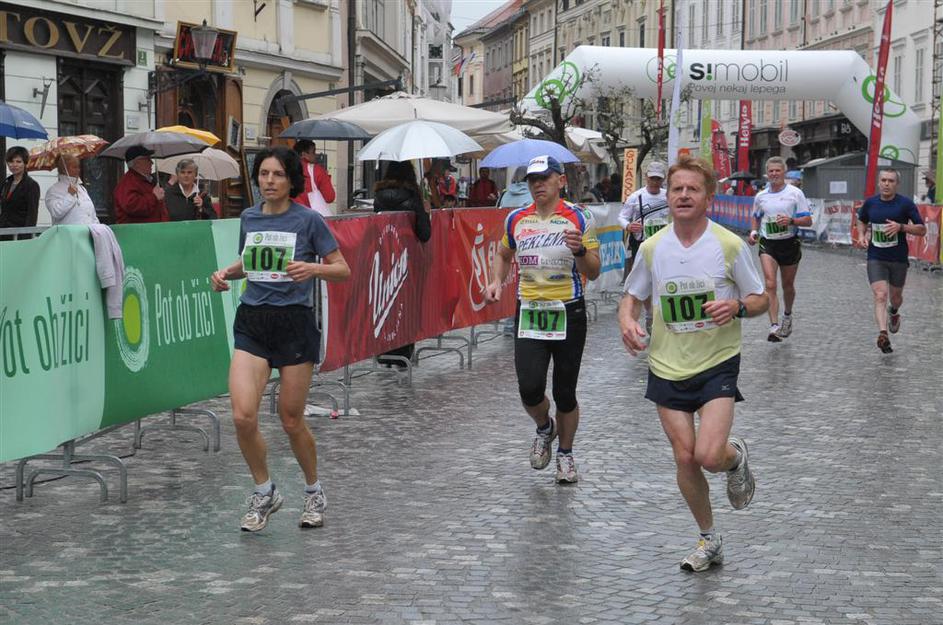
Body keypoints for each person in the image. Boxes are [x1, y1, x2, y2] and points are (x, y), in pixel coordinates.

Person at [619, 155, 768, 572]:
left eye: (693, 189)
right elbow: (631, 297)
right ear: (667, 196)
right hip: (667, 364)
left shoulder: (728, 244)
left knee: (708, 455)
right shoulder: (652, 248)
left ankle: (734, 458)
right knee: (685, 457)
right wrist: (627, 321)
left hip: (717, 362)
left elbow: (760, 299)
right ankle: (709, 538)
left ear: (709, 197)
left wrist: (737, 307)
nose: (683, 195)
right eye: (677, 189)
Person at [210, 146, 351, 532]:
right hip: (253, 321)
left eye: (277, 175)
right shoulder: (249, 217)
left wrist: (313, 269)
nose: (269, 181)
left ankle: (313, 490)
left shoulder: (309, 220)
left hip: (294, 323)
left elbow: (342, 269)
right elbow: (250, 263)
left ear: (291, 180)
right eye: (263, 174)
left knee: (290, 419)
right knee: (242, 416)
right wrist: (225, 274)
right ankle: (264, 491)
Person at [484, 155, 601, 484]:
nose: (537, 185)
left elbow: (594, 270)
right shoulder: (516, 219)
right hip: (530, 312)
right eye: (532, 179)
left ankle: (565, 454)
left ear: (560, 181)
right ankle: (545, 427)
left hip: (568, 310)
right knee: (529, 388)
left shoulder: (579, 217)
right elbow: (503, 254)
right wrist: (496, 281)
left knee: (565, 393)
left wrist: (580, 252)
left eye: (544, 178)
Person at [854, 168, 926, 354]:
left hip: (898, 258)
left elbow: (921, 229)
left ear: (897, 184)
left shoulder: (905, 204)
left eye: (891, 181)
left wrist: (901, 227)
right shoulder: (871, 203)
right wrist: (861, 235)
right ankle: (883, 334)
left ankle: (893, 311)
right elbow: (861, 220)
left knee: (895, 298)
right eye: (884, 180)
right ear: (879, 182)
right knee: (880, 295)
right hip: (876, 257)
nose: (886, 184)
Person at [747, 156, 812, 342]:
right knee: (770, 284)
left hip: (789, 243)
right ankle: (774, 326)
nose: (774, 174)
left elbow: (808, 221)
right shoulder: (761, 196)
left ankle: (787, 315)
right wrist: (753, 232)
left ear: (784, 172)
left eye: (778, 170)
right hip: (768, 243)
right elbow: (756, 216)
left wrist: (791, 221)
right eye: (771, 171)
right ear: (767, 173)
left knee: (787, 285)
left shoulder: (795, 193)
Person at [373, 160, 431, 367]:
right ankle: (403, 352)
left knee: (384, 302)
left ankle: (384, 351)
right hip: (408, 259)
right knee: (406, 305)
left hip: (383, 256)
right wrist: (425, 212)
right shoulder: (413, 196)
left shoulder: (379, 197)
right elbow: (424, 233)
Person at [619, 161, 668, 327]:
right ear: (646, 177)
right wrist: (629, 226)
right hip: (642, 243)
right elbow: (622, 217)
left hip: (664, 244)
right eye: (652, 178)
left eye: (658, 179)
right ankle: (649, 313)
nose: (655, 182)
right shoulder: (636, 197)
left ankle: (661, 311)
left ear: (663, 179)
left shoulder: (668, 196)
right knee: (645, 279)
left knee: (662, 277)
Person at [114, 146, 168, 224]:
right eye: (148, 159)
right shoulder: (128, 182)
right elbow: (132, 206)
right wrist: (154, 197)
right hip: (137, 230)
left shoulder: (148, 180)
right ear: (138, 163)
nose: (152, 163)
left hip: (153, 228)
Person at [45, 154, 99, 225]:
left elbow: (92, 214)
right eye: (74, 167)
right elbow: (56, 212)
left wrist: (97, 228)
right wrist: (70, 195)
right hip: (68, 231)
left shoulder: (81, 188)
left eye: (78, 167)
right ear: (64, 169)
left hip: (88, 230)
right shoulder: (53, 190)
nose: (78, 170)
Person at [1, 146, 41, 240]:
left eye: (18, 161)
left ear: (25, 163)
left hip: (19, 236)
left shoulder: (31, 185)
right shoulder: (6, 183)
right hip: (3, 234)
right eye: (11, 161)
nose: (14, 165)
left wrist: (26, 238)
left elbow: (32, 215)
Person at [291, 139, 336, 212]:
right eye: (313, 152)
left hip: (289, 213)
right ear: (304, 154)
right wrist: (326, 177)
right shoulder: (317, 170)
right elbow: (330, 197)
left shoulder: (285, 169)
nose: (316, 155)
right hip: (309, 215)